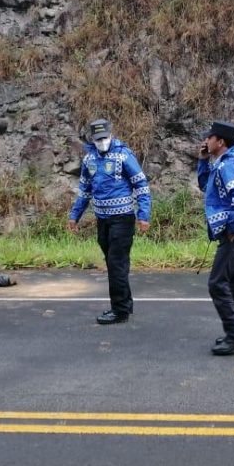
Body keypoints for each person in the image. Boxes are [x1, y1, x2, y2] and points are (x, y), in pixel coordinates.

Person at [67, 118, 152, 325]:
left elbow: (141, 185)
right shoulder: (89, 160)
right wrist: (74, 216)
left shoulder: (124, 155)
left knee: (116, 263)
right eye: (98, 139)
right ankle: (125, 303)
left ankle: (119, 310)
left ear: (111, 134)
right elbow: (84, 190)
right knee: (115, 263)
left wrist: (143, 215)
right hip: (102, 219)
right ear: (92, 139)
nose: (102, 142)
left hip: (122, 219)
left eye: (104, 137)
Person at [197, 120, 234, 355]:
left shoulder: (227, 166)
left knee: (217, 282)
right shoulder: (223, 163)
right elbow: (205, 186)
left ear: (220, 142)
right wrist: (203, 161)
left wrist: (232, 227)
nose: (206, 141)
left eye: (209, 138)